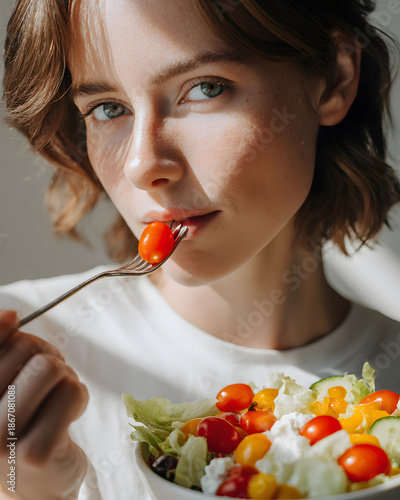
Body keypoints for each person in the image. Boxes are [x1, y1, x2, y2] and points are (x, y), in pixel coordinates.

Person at [1, 0, 400, 498]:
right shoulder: (19, 358)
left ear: (335, 78)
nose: (142, 165)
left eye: (205, 88)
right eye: (108, 108)